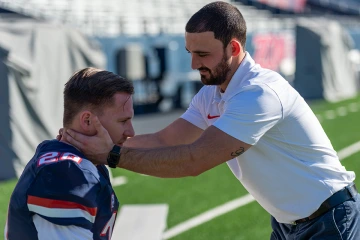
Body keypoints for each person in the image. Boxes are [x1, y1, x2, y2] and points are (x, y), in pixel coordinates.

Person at [63, 2, 360, 239]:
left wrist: (110, 155)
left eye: (203, 54)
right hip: (290, 224)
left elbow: (194, 160)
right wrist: (87, 145)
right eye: (190, 53)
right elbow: (164, 140)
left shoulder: (259, 93)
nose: (194, 64)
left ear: (233, 48)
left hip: (330, 219)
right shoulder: (213, 93)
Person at [5, 67, 135, 240]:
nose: (131, 132)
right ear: (87, 121)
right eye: (123, 121)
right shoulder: (66, 172)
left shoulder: (79, 162)